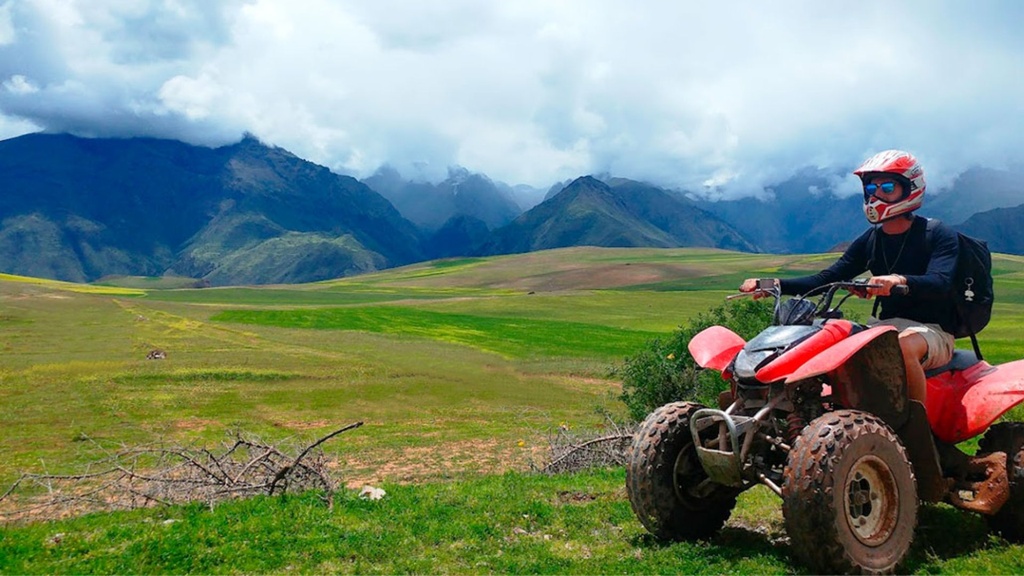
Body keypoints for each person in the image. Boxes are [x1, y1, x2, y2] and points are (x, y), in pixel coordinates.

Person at [739, 149, 959, 404]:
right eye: (870, 189)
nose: (876, 196)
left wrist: (898, 280)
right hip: (882, 327)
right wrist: (773, 284)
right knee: (824, 341)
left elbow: (941, 281)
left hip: (932, 331)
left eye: (887, 187)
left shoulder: (937, 233)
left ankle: (914, 430)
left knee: (902, 347)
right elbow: (826, 279)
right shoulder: (871, 240)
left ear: (910, 189)